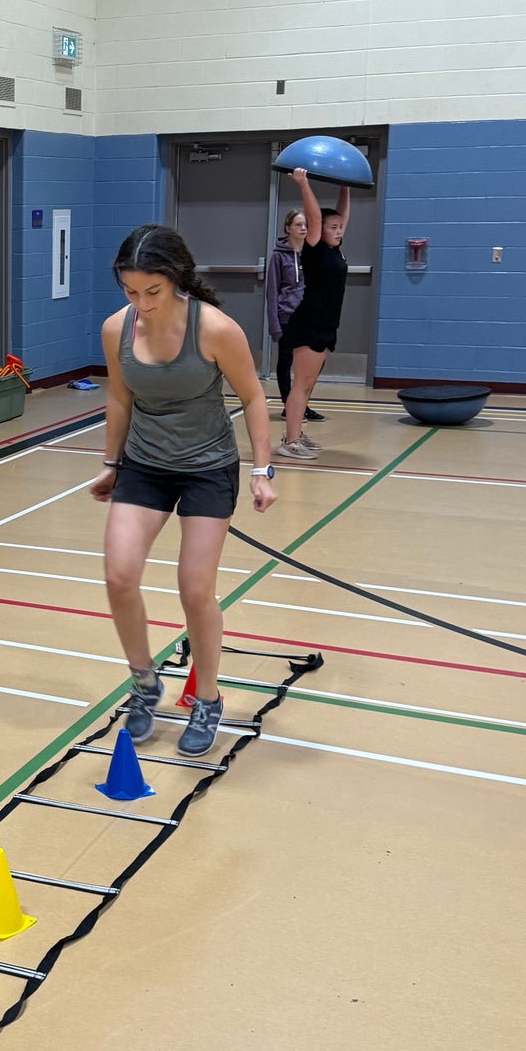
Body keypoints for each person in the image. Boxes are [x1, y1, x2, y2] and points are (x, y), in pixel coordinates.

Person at [92, 224, 277, 758]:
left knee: (194, 589)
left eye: (152, 291)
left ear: (176, 279)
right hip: (145, 465)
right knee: (118, 574)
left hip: (207, 467)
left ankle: (208, 699)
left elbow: (253, 397)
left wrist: (263, 471)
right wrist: (110, 464)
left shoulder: (215, 328)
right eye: (130, 291)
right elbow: (120, 399)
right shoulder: (116, 329)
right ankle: (144, 682)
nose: (141, 303)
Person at [277, 166, 350, 461]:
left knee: (308, 385)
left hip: (326, 326)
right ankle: (290, 441)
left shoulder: (336, 250)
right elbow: (316, 218)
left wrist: (346, 187)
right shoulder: (314, 248)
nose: (338, 231)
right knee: (301, 383)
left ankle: (295, 433)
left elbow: (340, 216)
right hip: (308, 325)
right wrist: (303, 184)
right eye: (333, 228)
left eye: (340, 228)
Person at [265, 206, 322, 425]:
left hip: (309, 318)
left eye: (306, 225)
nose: (303, 228)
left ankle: (301, 405)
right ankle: (289, 406)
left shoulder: (313, 253)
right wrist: (274, 325)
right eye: (298, 224)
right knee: (286, 360)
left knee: (308, 364)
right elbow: (272, 292)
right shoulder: (278, 257)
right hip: (288, 317)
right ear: (287, 228)